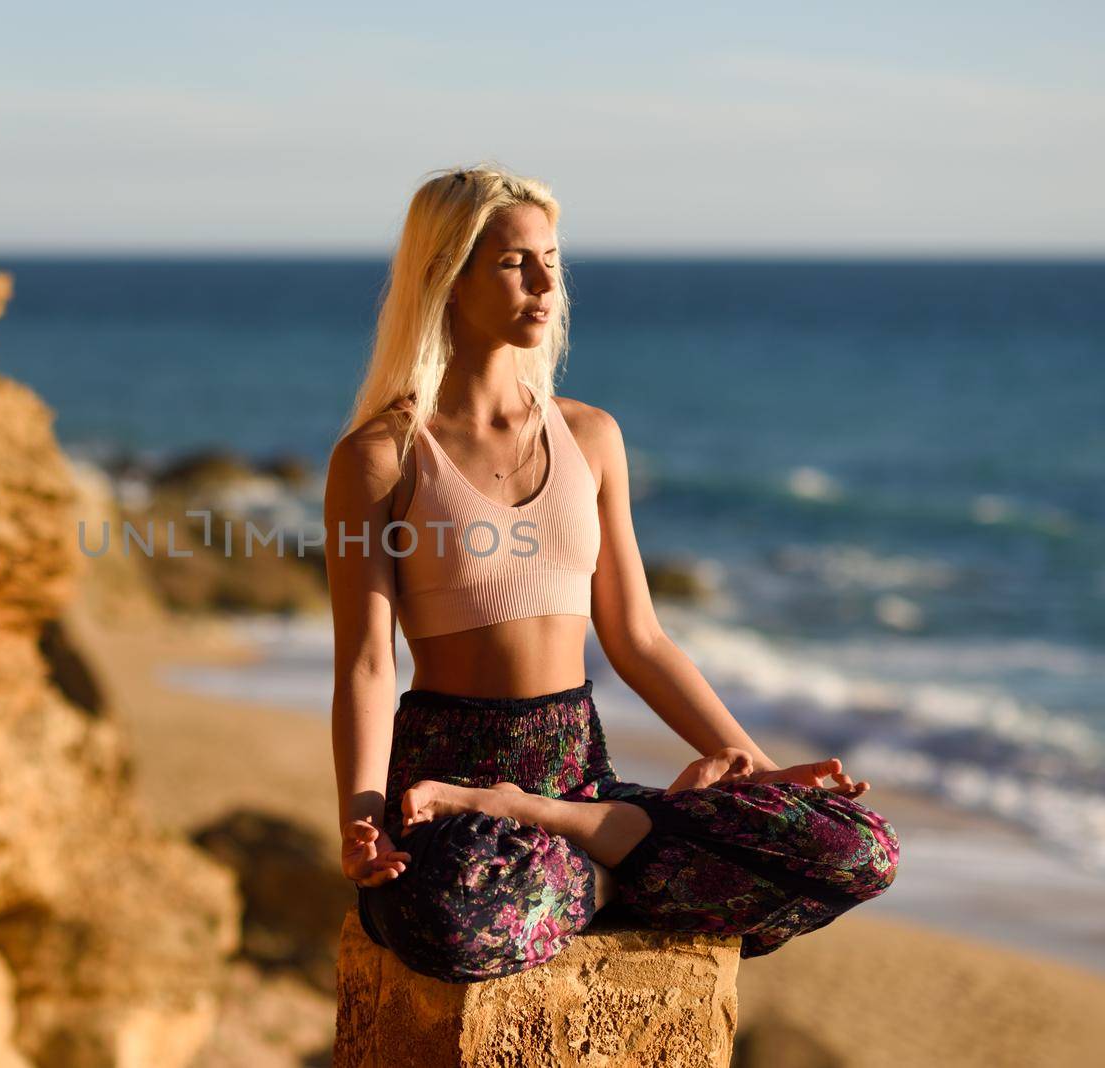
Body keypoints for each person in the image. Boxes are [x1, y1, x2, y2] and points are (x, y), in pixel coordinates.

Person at [323, 162, 900, 984]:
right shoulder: (380, 459)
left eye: (552, 257)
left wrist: (752, 766)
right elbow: (366, 662)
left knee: (858, 849)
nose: (545, 280)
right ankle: (606, 850)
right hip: (444, 775)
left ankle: (561, 832)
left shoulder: (591, 437)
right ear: (446, 276)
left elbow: (638, 637)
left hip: (576, 770)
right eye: (514, 261)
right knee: (450, 923)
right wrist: (363, 817)